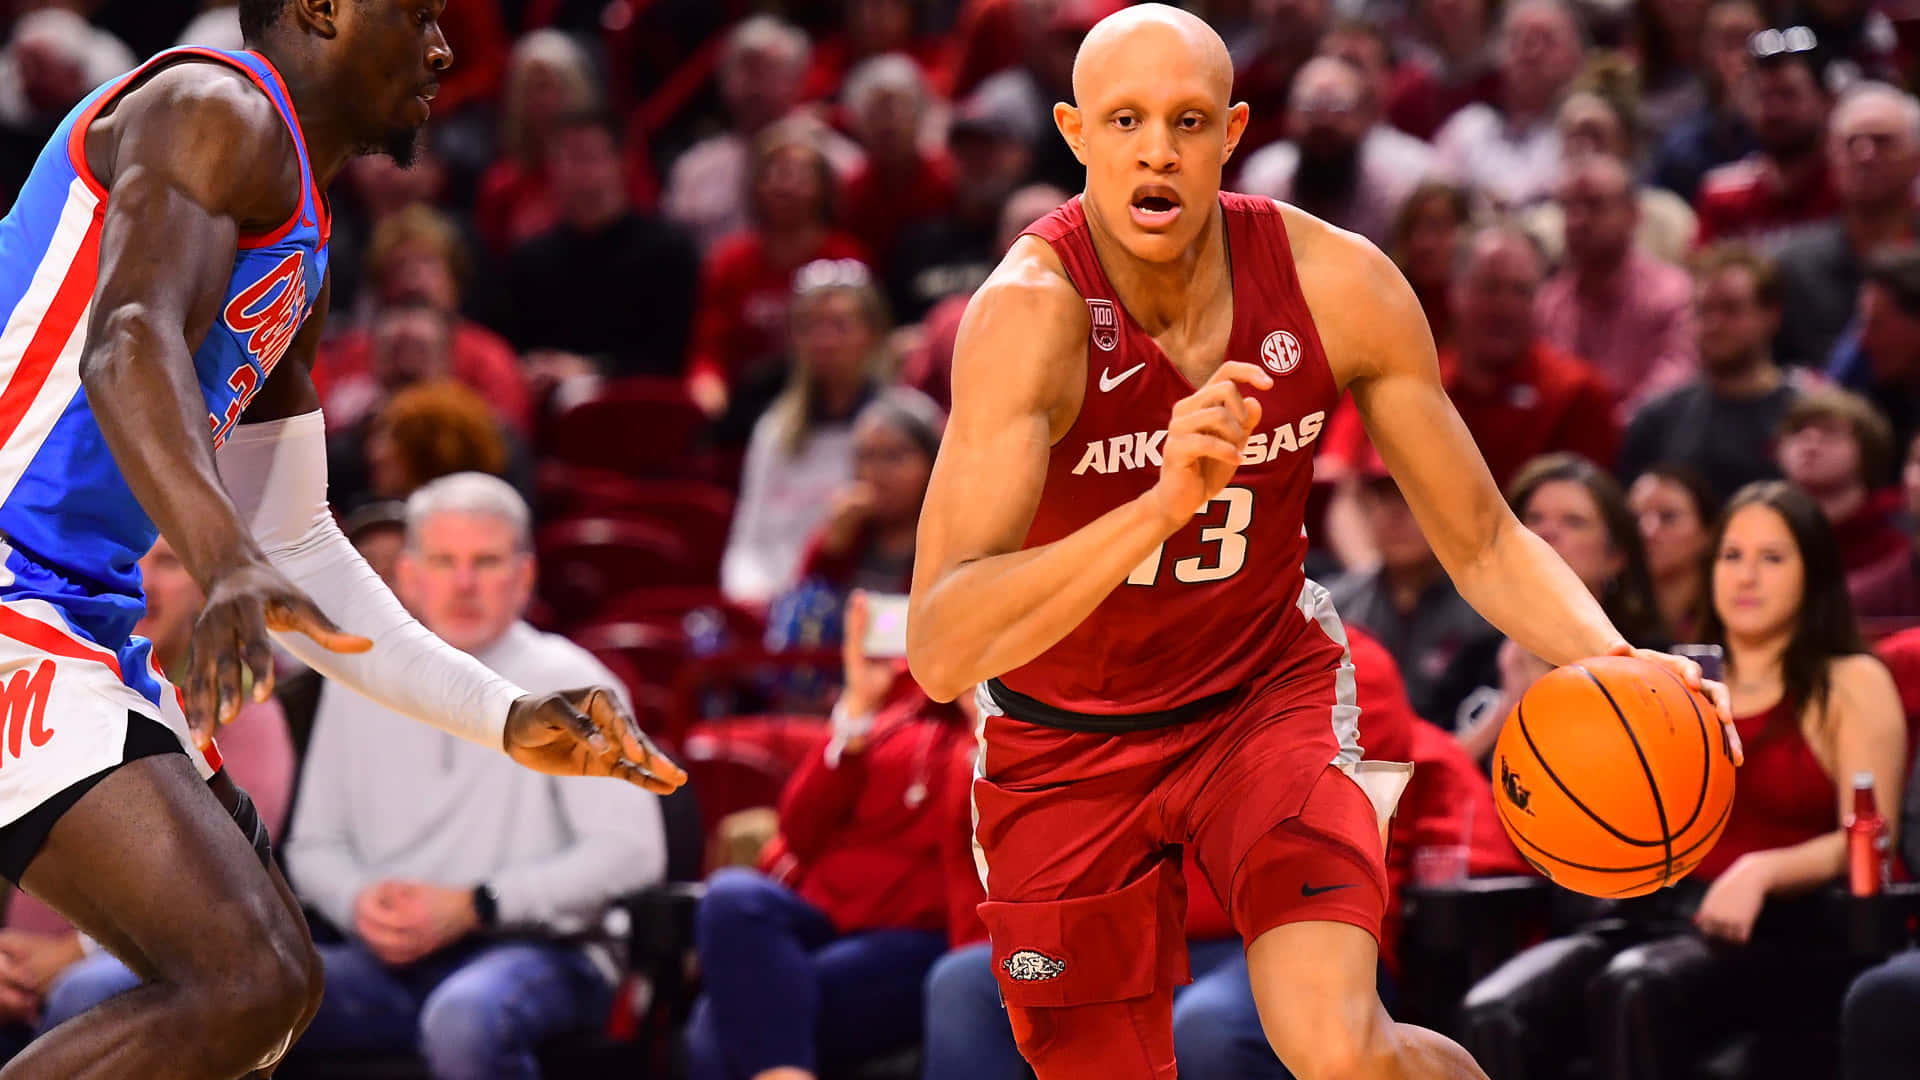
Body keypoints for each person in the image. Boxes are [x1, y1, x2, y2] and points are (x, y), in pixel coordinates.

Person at [906, 7, 1735, 1079]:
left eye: (1188, 120)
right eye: (1124, 120)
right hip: (1063, 738)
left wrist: (1616, 659)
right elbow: (939, 645)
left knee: (1339, 1046)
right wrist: (1157, 507)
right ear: (1073, 133)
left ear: (1234, 131)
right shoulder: (1028, 318)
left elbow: (1481, 537)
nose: (1157, 149)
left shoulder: (1337, 282)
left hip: (1262, 698)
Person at [0, 5, 686, 1077]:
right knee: (246, 979)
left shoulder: (301, 246)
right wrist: (222, 558)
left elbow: (302, 549)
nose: (445, 51)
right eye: (418, 15)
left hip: (66, 608)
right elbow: (125, 342)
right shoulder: (211, 107)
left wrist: (501, 716)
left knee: (275, 993)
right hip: (13, 588)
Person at [36, 475, 672, 1079]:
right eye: (445, 562)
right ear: (409, 576)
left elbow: (631, 856)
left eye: (487, 562)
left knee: (467, 1018)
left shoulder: (572, 681)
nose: (465, 583)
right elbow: (315, 848)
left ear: (526, 574)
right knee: (98, 992)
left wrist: (477, 903)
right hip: (379, 957)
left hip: (541, 952)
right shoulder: (361, 685)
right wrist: (360, 904)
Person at [1460, 481, 1905, 1079]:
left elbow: (1871, 832)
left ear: (1815, 572)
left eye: (1772, 558)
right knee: (1495, 1010)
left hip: (1781, 924)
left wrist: (1763, 870)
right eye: (1731, 555)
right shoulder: (1671, 674)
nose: (1746, 576)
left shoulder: (1849, 679)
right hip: (1651, 907)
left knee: (1636, 987)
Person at [684, 590, 971, 1080]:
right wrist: (857, 708)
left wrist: (979, 712)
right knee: (730, 895)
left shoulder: (1002, 725)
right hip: (822, 912)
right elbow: (800, 831)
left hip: (919, 935)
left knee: (718, 1024)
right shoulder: (894, 706)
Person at [719, 261, 891, 605]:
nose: (825, 341)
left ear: (872, 333)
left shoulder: (901, 426)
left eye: (840, 325)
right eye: (811, 326)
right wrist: (751, 600)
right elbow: (748, 540)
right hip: (770, 603)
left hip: (865, 603)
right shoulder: (774, 429)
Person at [1618, 242, 1803, 501]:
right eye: (1703, 310)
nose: (1713, 324)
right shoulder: (1657, 419)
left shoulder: (1803, 417)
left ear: (1771, 315)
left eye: (1731, 309)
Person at [1630, 464, 1722, 641]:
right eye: (1635, 518)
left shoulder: (1728, 617)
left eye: (1668, 516)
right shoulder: (1607, 618)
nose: (1647, 530)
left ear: (1708, 533)